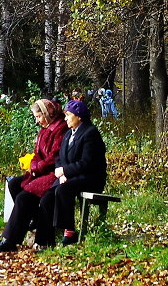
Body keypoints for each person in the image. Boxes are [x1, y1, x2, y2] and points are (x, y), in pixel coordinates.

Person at [0, 99, 67, 252]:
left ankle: (11, 240)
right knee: (14, 184)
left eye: (38, 116)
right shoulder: (45, 129)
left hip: (53, 173)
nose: (37, 120)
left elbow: (55, 157)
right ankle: (34, 219)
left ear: (47, 113)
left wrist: (37, 168)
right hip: (40, 171)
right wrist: (33, 166)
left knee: (24, 197)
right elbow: (37, 153)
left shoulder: (60, 129)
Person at [35, 99, 107, 248]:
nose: (66, 118)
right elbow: (60, 158)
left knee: (63, 190)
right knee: (47, 198)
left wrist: (66, 172)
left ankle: (69, 230)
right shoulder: (68, 134)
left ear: (79, 116)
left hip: (90, 178)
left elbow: (87, 162)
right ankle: (44, 241)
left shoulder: (90, 133)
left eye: (68, 115)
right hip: (70, 177)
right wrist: (62, 173)